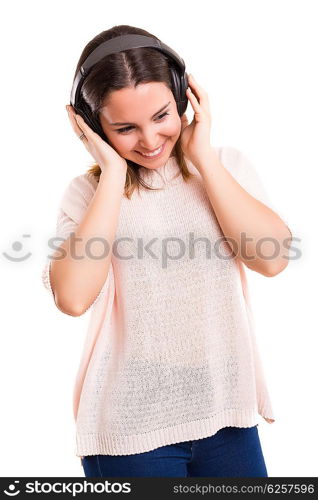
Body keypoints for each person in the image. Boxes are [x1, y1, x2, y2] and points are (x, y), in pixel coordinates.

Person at [42, 25, 293, 478]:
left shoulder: (225, 167)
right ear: (93, 125)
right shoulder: (86, 195)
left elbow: (272, 259)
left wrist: (205, 159)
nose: (151, 139)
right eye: (125, 128)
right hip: (131, 432)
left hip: (228, 416)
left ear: (183, 97)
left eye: (161, 116)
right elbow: (73, 298)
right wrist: (113, 175)